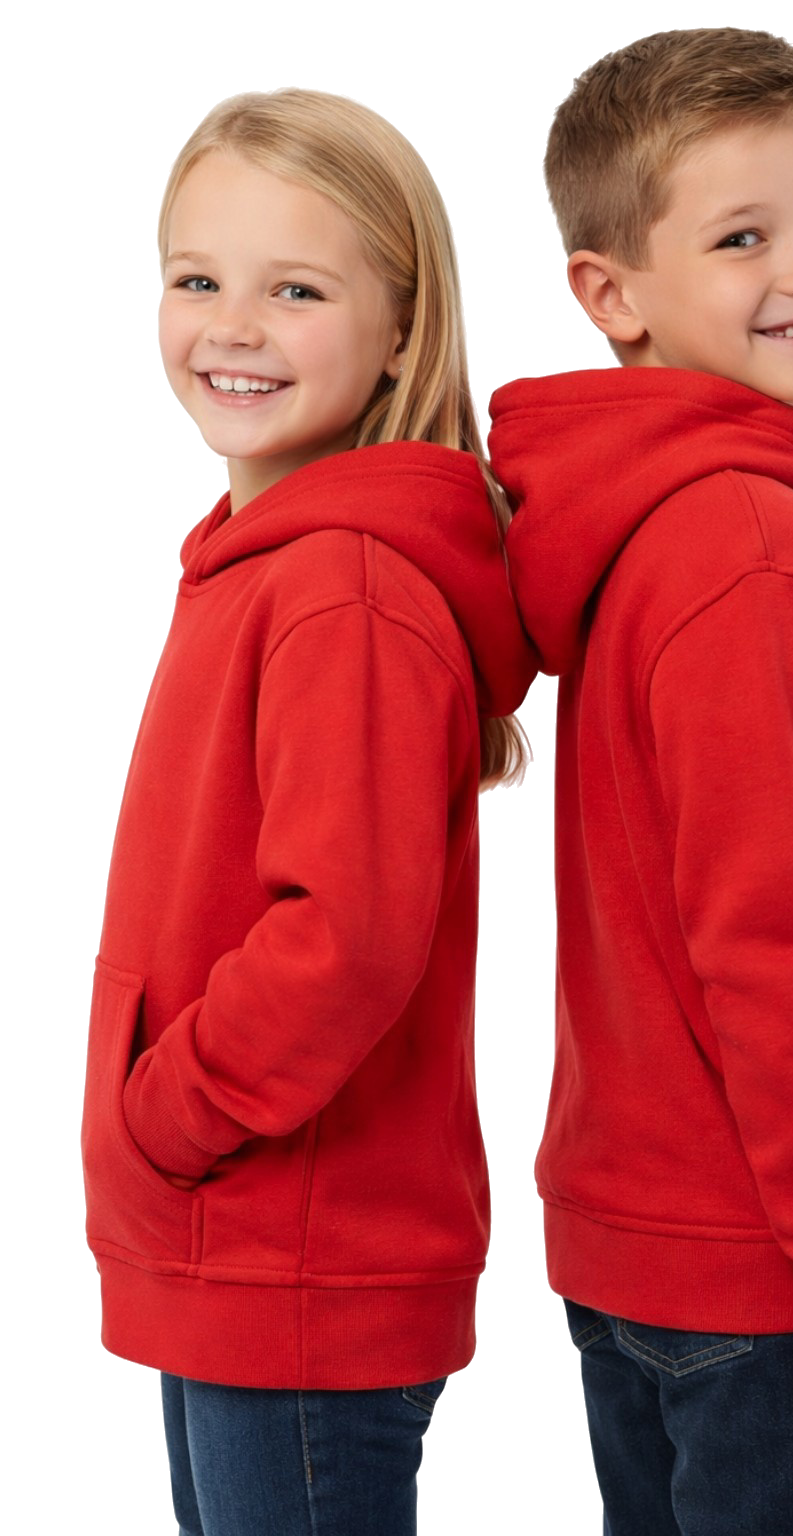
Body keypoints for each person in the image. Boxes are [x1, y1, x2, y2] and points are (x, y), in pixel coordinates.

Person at [488, 27, 793, 1536]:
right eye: (742, 237)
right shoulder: (752, 551)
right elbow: (783, 956)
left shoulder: (656, 520)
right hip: (780, 1287)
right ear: (610, 294)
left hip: (654, 1250)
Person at [81, 88, 534, 1536]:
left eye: (297, 291)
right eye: (196, 279)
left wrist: (166, 1118)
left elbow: (343, 940)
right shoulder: (262, 559)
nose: (233, 327)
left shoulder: (344, 587)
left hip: (292, 1258)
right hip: (240, 1247)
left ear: (402, 328)